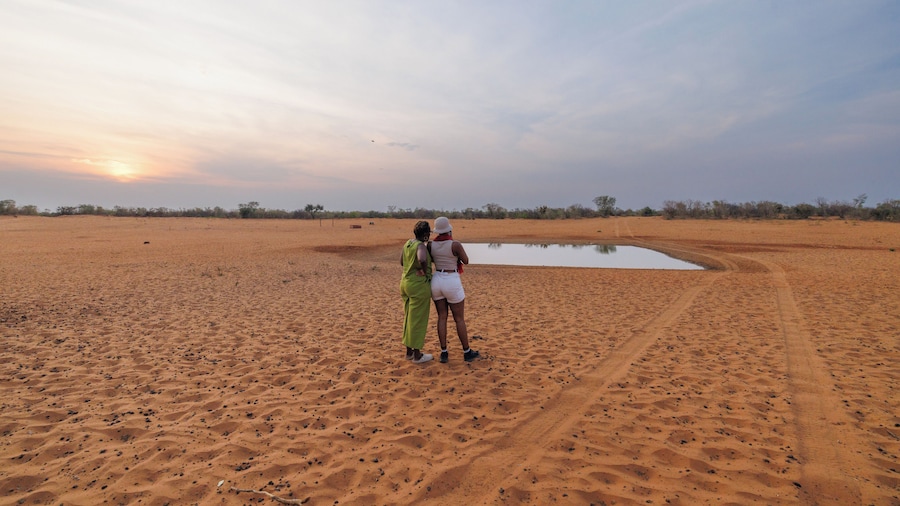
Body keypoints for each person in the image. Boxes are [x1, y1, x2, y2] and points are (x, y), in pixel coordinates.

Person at [429, 216, 480, 363]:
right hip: (451, 279)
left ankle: (444, 352)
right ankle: (466, 351)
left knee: (442, 317)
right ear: (449, 229)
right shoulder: (455, 244)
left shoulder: (431, 245)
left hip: (437, 279)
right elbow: (466, 260)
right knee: (459, 319)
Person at [400, 221, 433, 363]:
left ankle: (409, 352)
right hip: (418, 286)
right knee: (418, 320)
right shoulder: (420, 246)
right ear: (425, 234)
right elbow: (422, 258)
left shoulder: (408, 244)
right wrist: (424, 271)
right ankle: (417, 355)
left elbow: (402, 262)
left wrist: (412, 267)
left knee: (409, 317)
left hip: (405, 282)